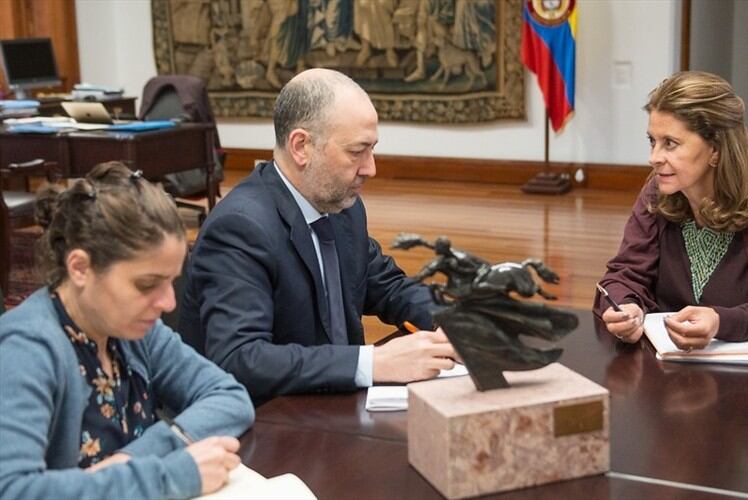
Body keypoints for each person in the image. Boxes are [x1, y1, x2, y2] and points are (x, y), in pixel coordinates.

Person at [178, 68, 456, 402]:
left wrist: (455, 325)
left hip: (329, 406)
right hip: (265, 423)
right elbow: (241, 359)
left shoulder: (342, 206)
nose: (371, 168)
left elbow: (387, 286)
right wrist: (374, 362)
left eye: (372, 149)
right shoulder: (240, 228)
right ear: (301, 146)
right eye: (357, 151)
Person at [0, 162, 254, 499]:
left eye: (171, 282)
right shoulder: (26, 350)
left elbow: (231, 398)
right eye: (147, 284)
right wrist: (170, 475)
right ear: (80, 267)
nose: (167, 303)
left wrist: (130, 459)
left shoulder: (131, 329)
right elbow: (14, 490)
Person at [594, 71, 748, 349]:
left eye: (670, 143)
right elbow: (623, 276)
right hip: (666, 377)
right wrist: (626, 307)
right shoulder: (657, 194)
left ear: (715, 148)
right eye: (652, 141)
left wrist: (721, 322)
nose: (653, 158)